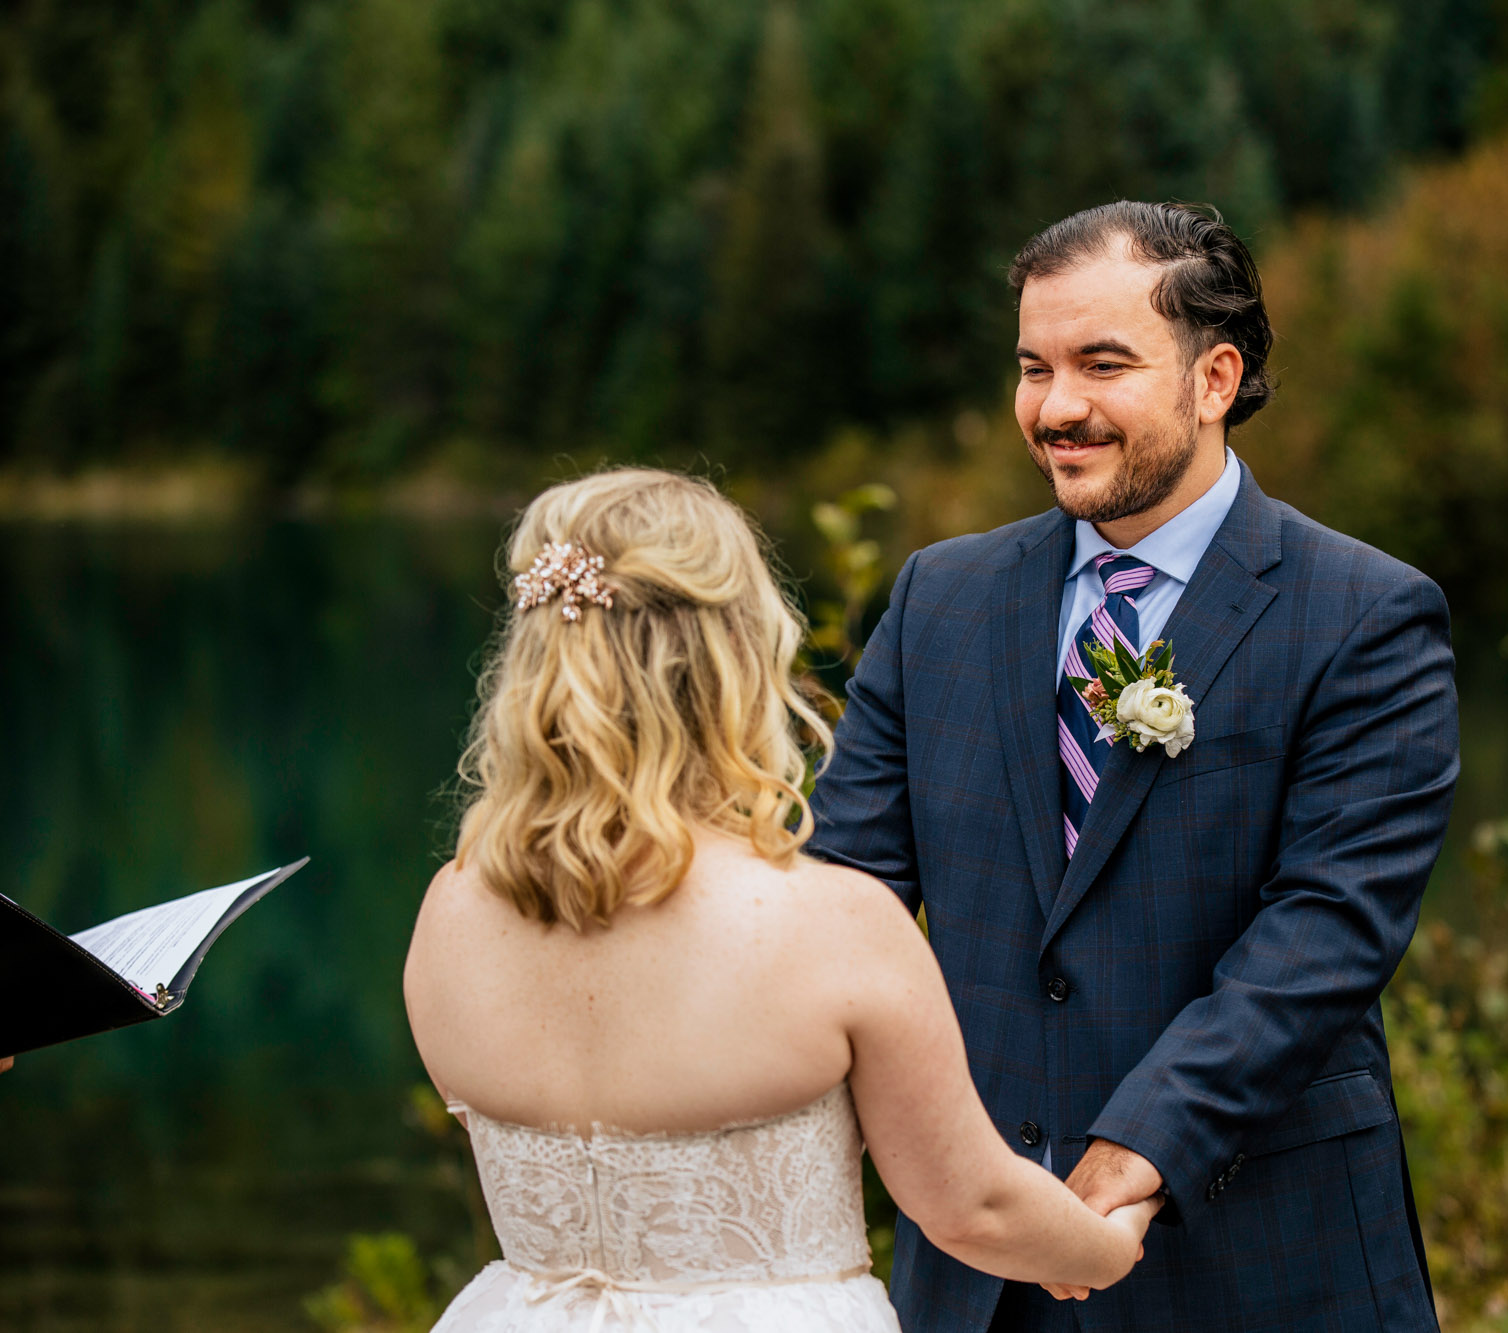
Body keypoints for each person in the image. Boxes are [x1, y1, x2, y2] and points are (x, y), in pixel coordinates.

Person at [806, 201, 1459, 1332]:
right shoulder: (935, 600)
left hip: (1259, 1255)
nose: (1055, 409)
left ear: (1213, 379)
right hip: (978, 1268)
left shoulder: (1364, 615)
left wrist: (1135, 1147)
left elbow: (1326, 930)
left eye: (1100, 364)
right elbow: (838, 895)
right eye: (1032, 368)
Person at [403, 470, 1157, 1333]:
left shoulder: (451, 910)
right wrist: (1106, 1246)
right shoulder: (829, 925)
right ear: (735, 655)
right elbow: (972, 1206)